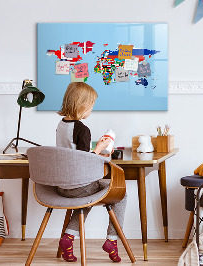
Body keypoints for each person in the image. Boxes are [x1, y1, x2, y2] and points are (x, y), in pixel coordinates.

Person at [56, 82, 126, 263]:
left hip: (62, 186)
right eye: (91, 105)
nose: (91, 110)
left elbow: (73, 154)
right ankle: (112, 240)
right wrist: (101, 148)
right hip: (79, 186)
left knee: (86, 197)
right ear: (82, 105)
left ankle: (68, 238)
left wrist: (96, 149)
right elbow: (84, 161)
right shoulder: (82, 129)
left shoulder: (61, 125)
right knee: (121, 194)